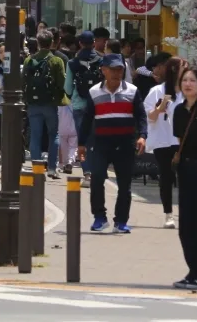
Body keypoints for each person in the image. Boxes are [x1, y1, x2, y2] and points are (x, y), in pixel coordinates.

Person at [78, 54, 147, 234]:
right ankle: (99, 217)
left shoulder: (132, 91)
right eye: (113, 69)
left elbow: (141, 116)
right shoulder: (94, 92)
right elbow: (87, 119)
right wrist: (81, 143)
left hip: (125, 144)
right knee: (97, 179)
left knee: (125, 185)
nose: (117, 73)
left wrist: (143, 136)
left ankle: (121, 221)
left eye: (120, 70)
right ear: (104, 70)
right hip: (101, 143)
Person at [172, 67, 197, 289]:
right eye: (184, 80)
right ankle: (194, 270)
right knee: (187, 224)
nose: (188, 84)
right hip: (186, 171)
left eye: (192, 80)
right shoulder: (179, 110)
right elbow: (179, 140)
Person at [145, 57, 185, 229]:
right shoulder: (156, 91)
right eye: (184, 68)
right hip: (163, 140)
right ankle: (168, 214)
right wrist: (160, 108)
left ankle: (186, 213)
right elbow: (149, 117)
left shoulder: (188, 90)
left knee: (187, 178)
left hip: (183, 141)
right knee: (166, 177)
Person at [23, 30, 65, 178]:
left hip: (33, 103)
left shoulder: (29, 60)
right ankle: (52, 168)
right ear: (53, 42)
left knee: (35, 135)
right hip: (50, 103)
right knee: (54, 134)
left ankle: (37, 168)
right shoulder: (56, 61)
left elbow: (24, 81)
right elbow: (62, 83)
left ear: (38, 43)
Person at [65, 31, 102, 185]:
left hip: (79, 105)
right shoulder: (102, 60)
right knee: (98, 140)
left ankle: (88, 174)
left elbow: (67, 88)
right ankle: (98, 171)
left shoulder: (73, 63)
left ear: (80, 43)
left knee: (84, 141)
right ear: (94, 42)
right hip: (99, 104)